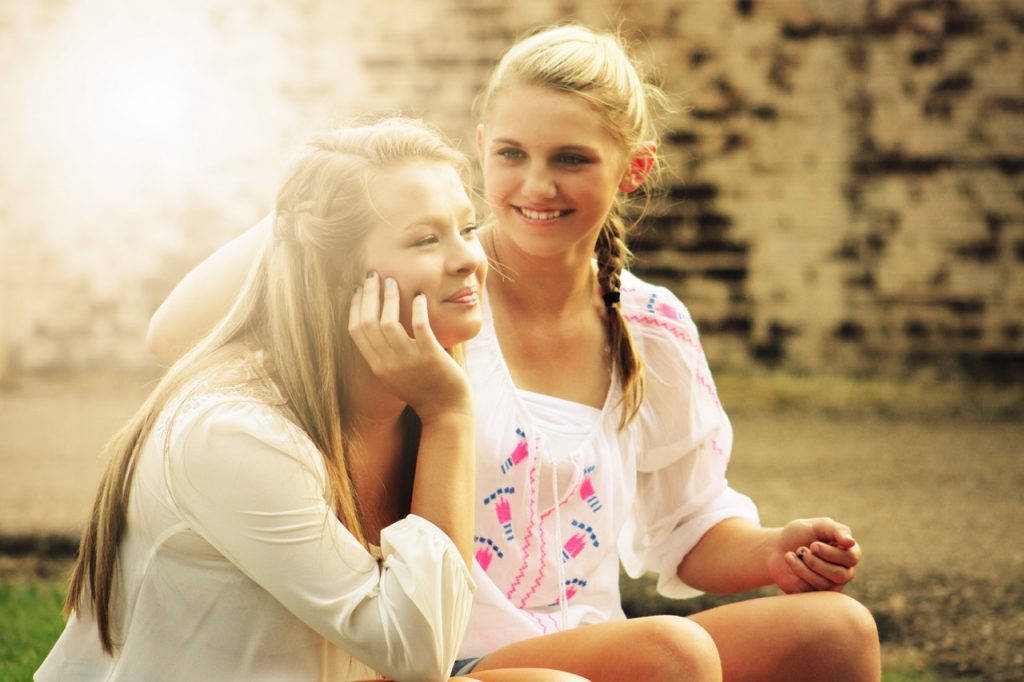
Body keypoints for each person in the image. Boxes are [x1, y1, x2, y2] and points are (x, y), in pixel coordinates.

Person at [145, 26, 881, 682]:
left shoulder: (652, 324)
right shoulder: (432, 292)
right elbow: (177, 338)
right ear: (479, 151)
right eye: (511, 154)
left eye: (570, 158)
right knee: (672, 656)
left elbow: (687, 529)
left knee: (836, 631)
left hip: (601, 641)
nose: (536, 185)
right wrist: (324, 195)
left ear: (633, 169)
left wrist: (773, 551)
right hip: (450, 648)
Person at [37, 118, 584, 682]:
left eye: (467, 229)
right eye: (425, 238)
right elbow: (419, 655)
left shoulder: (408, 400)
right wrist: (450, 415)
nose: (469, 257)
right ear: (336, 275)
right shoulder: (235, 431)